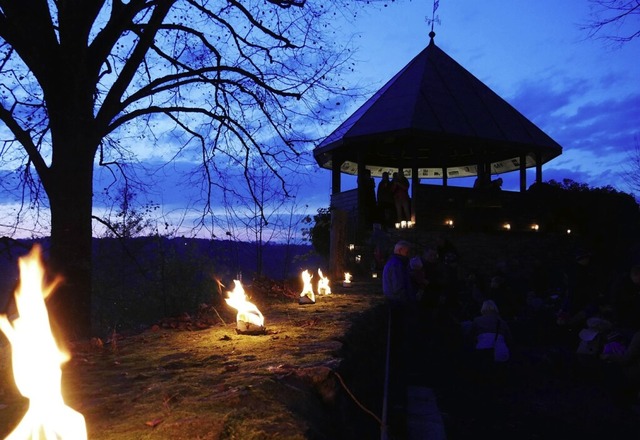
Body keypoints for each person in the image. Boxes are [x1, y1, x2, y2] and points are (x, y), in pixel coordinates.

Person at [469, 299, 512, 381]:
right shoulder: (502, 322)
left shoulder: (477, 320)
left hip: (482, 354)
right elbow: (510, 339)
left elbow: (470, 337)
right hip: (500, 352)